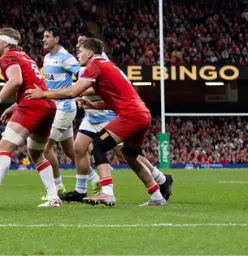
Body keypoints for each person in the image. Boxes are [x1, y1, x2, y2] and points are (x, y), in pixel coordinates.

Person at [24, 37, 168, 207]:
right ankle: (157, 196)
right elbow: (113, 100)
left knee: (98, 145)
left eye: (81, 51)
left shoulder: (95, 65)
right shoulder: (107, 66)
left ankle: (107, 192)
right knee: (130, 156)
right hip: (142, 114)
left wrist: (44, 94)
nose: (78, 55)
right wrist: (93, 105)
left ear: (90, 53)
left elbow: (73, 91)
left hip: (130, 116)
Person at [61, 36, 173, 203]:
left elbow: (100, 88)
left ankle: (159, 179)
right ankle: (81, 189)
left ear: (91, 51)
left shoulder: (99, 64)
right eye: (77, 46)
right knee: (82, 147)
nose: (77, 50)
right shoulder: (87, 64)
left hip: (114, 115)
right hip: (96, 115)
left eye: (81, 47)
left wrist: (64, 93)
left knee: (114, 151)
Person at [0, 27, 61, 209]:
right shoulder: (25, 56)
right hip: (47, 105)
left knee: (4, 146)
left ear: (5, 42)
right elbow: (30, 84)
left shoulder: (7, 56)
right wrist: (14, 106)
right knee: (36, 153)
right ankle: (53, 197)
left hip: (33, 105)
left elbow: (16, 81)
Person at [40, 28, 80, 196]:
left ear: (56, 38)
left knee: (45, 148)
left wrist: (79, 92)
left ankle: (57, 187)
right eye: (43, 36)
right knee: (70, 151)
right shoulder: (47, 58)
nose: (44, 39)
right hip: (53, 108)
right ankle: (95, 180)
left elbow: (83, 75)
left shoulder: (66, 58)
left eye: (47, 36)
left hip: (64, 108)